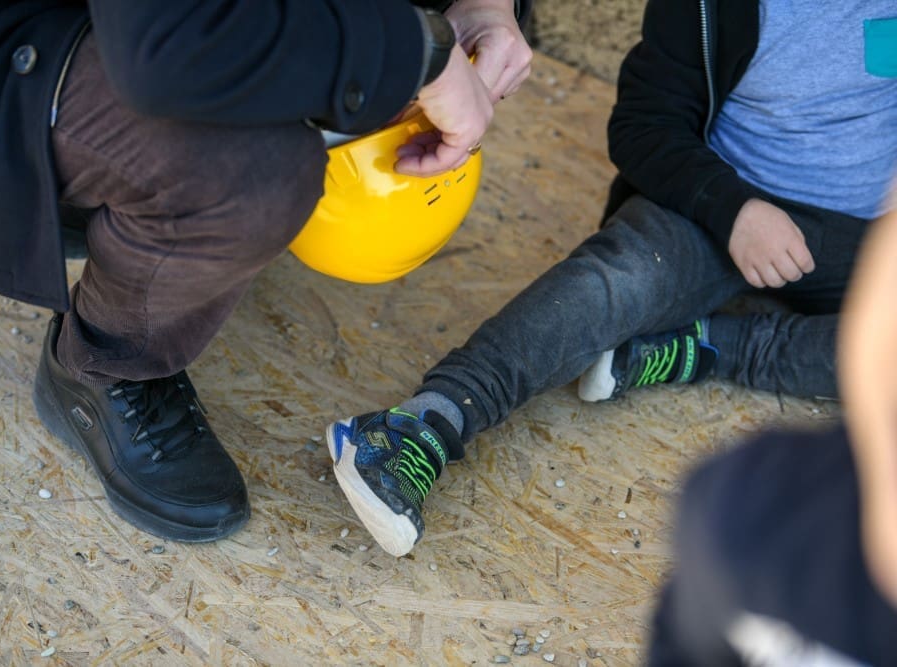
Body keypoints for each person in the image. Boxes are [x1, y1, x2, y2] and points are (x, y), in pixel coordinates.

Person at [0, 0, 533, 542]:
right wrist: (419, 53)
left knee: (361, 55)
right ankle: (102, 365)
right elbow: (163, 44)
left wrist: (485, 5)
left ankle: (179, 233)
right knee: (251, 171)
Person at [325, 0, 897, 557]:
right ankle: (423, 422)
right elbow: (642, 126)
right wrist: (734, 210)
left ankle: (705, 347)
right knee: (617, 280)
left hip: (871, 235)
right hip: (716, 207)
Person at [645, 204, 897, 666]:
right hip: (730, 222)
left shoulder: (746, 504)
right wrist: (730, 205)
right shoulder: (752, 508)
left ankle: (714, 344)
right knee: (614, 279)